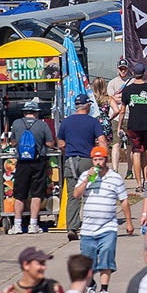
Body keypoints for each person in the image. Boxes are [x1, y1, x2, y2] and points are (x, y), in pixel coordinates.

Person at [71, 145, 134, 293]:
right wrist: (87, 179)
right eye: (95, 159)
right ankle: (91, 285)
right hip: (88, 229)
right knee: (87, 261)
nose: (98, 162)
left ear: (106, 160)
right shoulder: (87, 175)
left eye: (101, 159)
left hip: (108, 227)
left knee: (107, 255)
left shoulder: (115, 178)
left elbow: (124, 201)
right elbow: (76, 195)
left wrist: (128, 222)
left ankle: (104, 290)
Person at [55, 94, 106, 237]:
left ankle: (72, 227)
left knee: (73, 195)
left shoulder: (66, 122)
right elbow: (102, 141)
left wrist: (68, 152)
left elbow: (61, 143)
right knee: (92, 192)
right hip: (88, 163)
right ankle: (93, 225)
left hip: (70, 162)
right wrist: (103, 160)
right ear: (87, 105)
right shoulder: (93, 122)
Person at [9, 98, 54, 234]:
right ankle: (33, 224)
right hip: (38, 162)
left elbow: (12, 143)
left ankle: (17, 224)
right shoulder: (42, 125)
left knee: (19, 194)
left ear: (24, 113)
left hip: (22, 162)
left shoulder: (16, 123)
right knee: (36, 194)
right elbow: (50, 143)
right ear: (36, 113)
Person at [120, 62, 147, 187]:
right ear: (144, 74)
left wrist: (119, 125)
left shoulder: (127, 90)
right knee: (144, 150)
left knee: (136, 151)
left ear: (133, 73)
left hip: (133, 124)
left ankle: (138, 183)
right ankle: (146, 179)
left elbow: (122, 110)